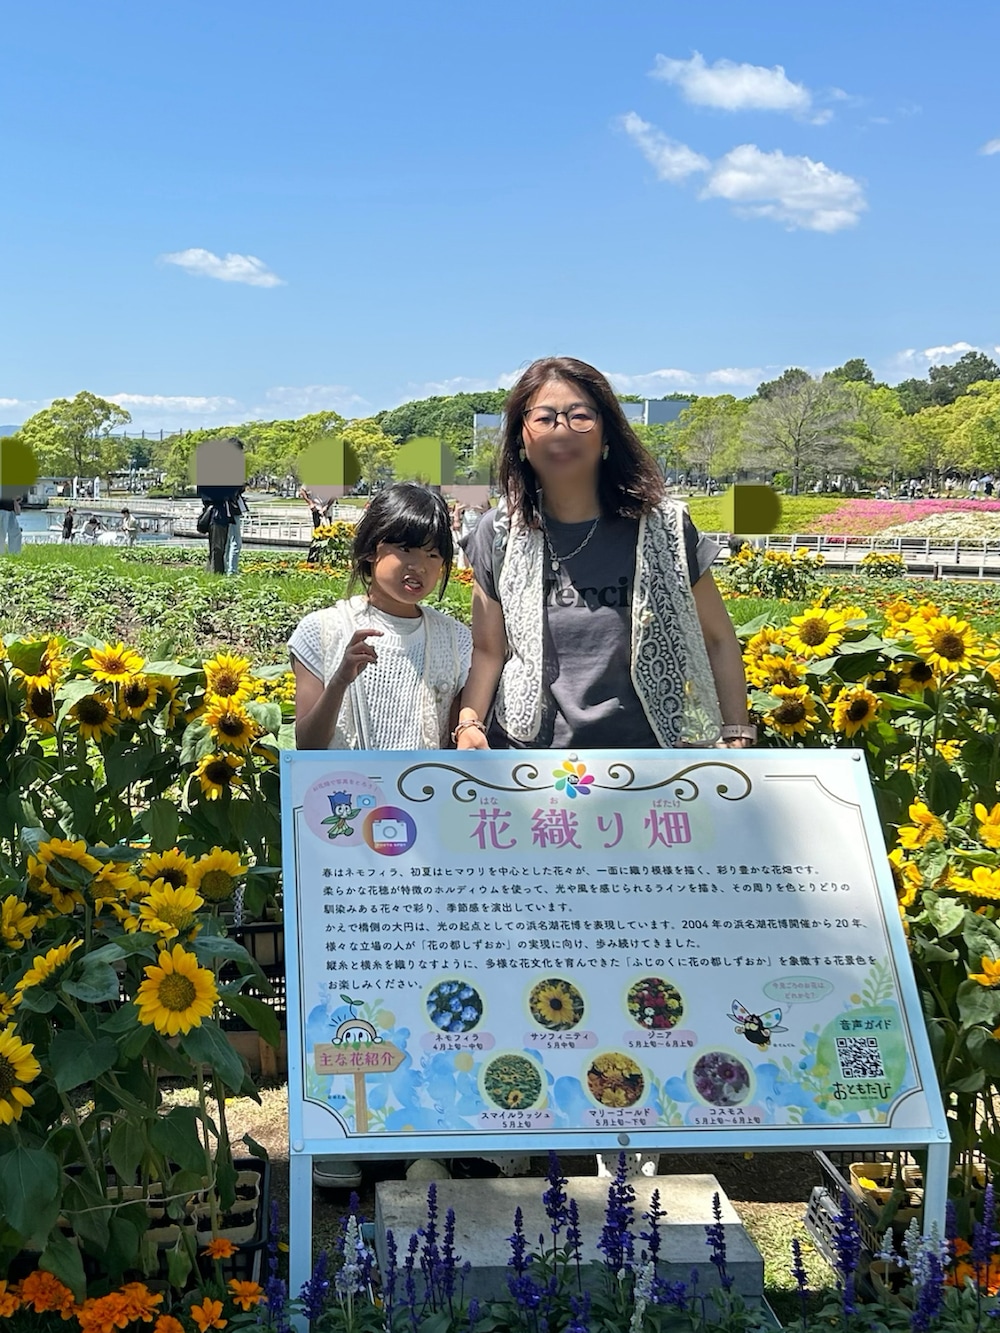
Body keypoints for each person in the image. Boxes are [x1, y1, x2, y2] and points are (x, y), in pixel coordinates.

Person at [457, 357, 755, 1177]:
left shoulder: (663, 525)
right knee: (537, 952)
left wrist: (736, 732)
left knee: (643, 954)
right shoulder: (497, 534)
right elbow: (490, 648)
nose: (562, 429)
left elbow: (720, 639)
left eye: (579, 413)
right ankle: (525, 1119)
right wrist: (473, 719)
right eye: (545, 416)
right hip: (535, 778)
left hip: (649, 774)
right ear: (520, 433)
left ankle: (632, 1138)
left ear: (608, 427)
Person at [287, 482, 472, 1190]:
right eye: (399, 546)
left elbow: (454, 736)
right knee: (349, 982)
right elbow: (309, 743)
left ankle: (421, 1135)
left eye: (432, 551)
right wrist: (340, 678)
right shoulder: (324, 628)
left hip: (425, 845)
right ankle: (345, 1127)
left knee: (424, 982)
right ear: (368, 553)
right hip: (343, 843)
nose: (415, 564)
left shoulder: (452, 637)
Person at [224, 492, 249, 575]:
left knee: (227, 542)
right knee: (236, 542)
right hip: (231, 511)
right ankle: (232, 570)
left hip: (226, 510)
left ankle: (226, 567)